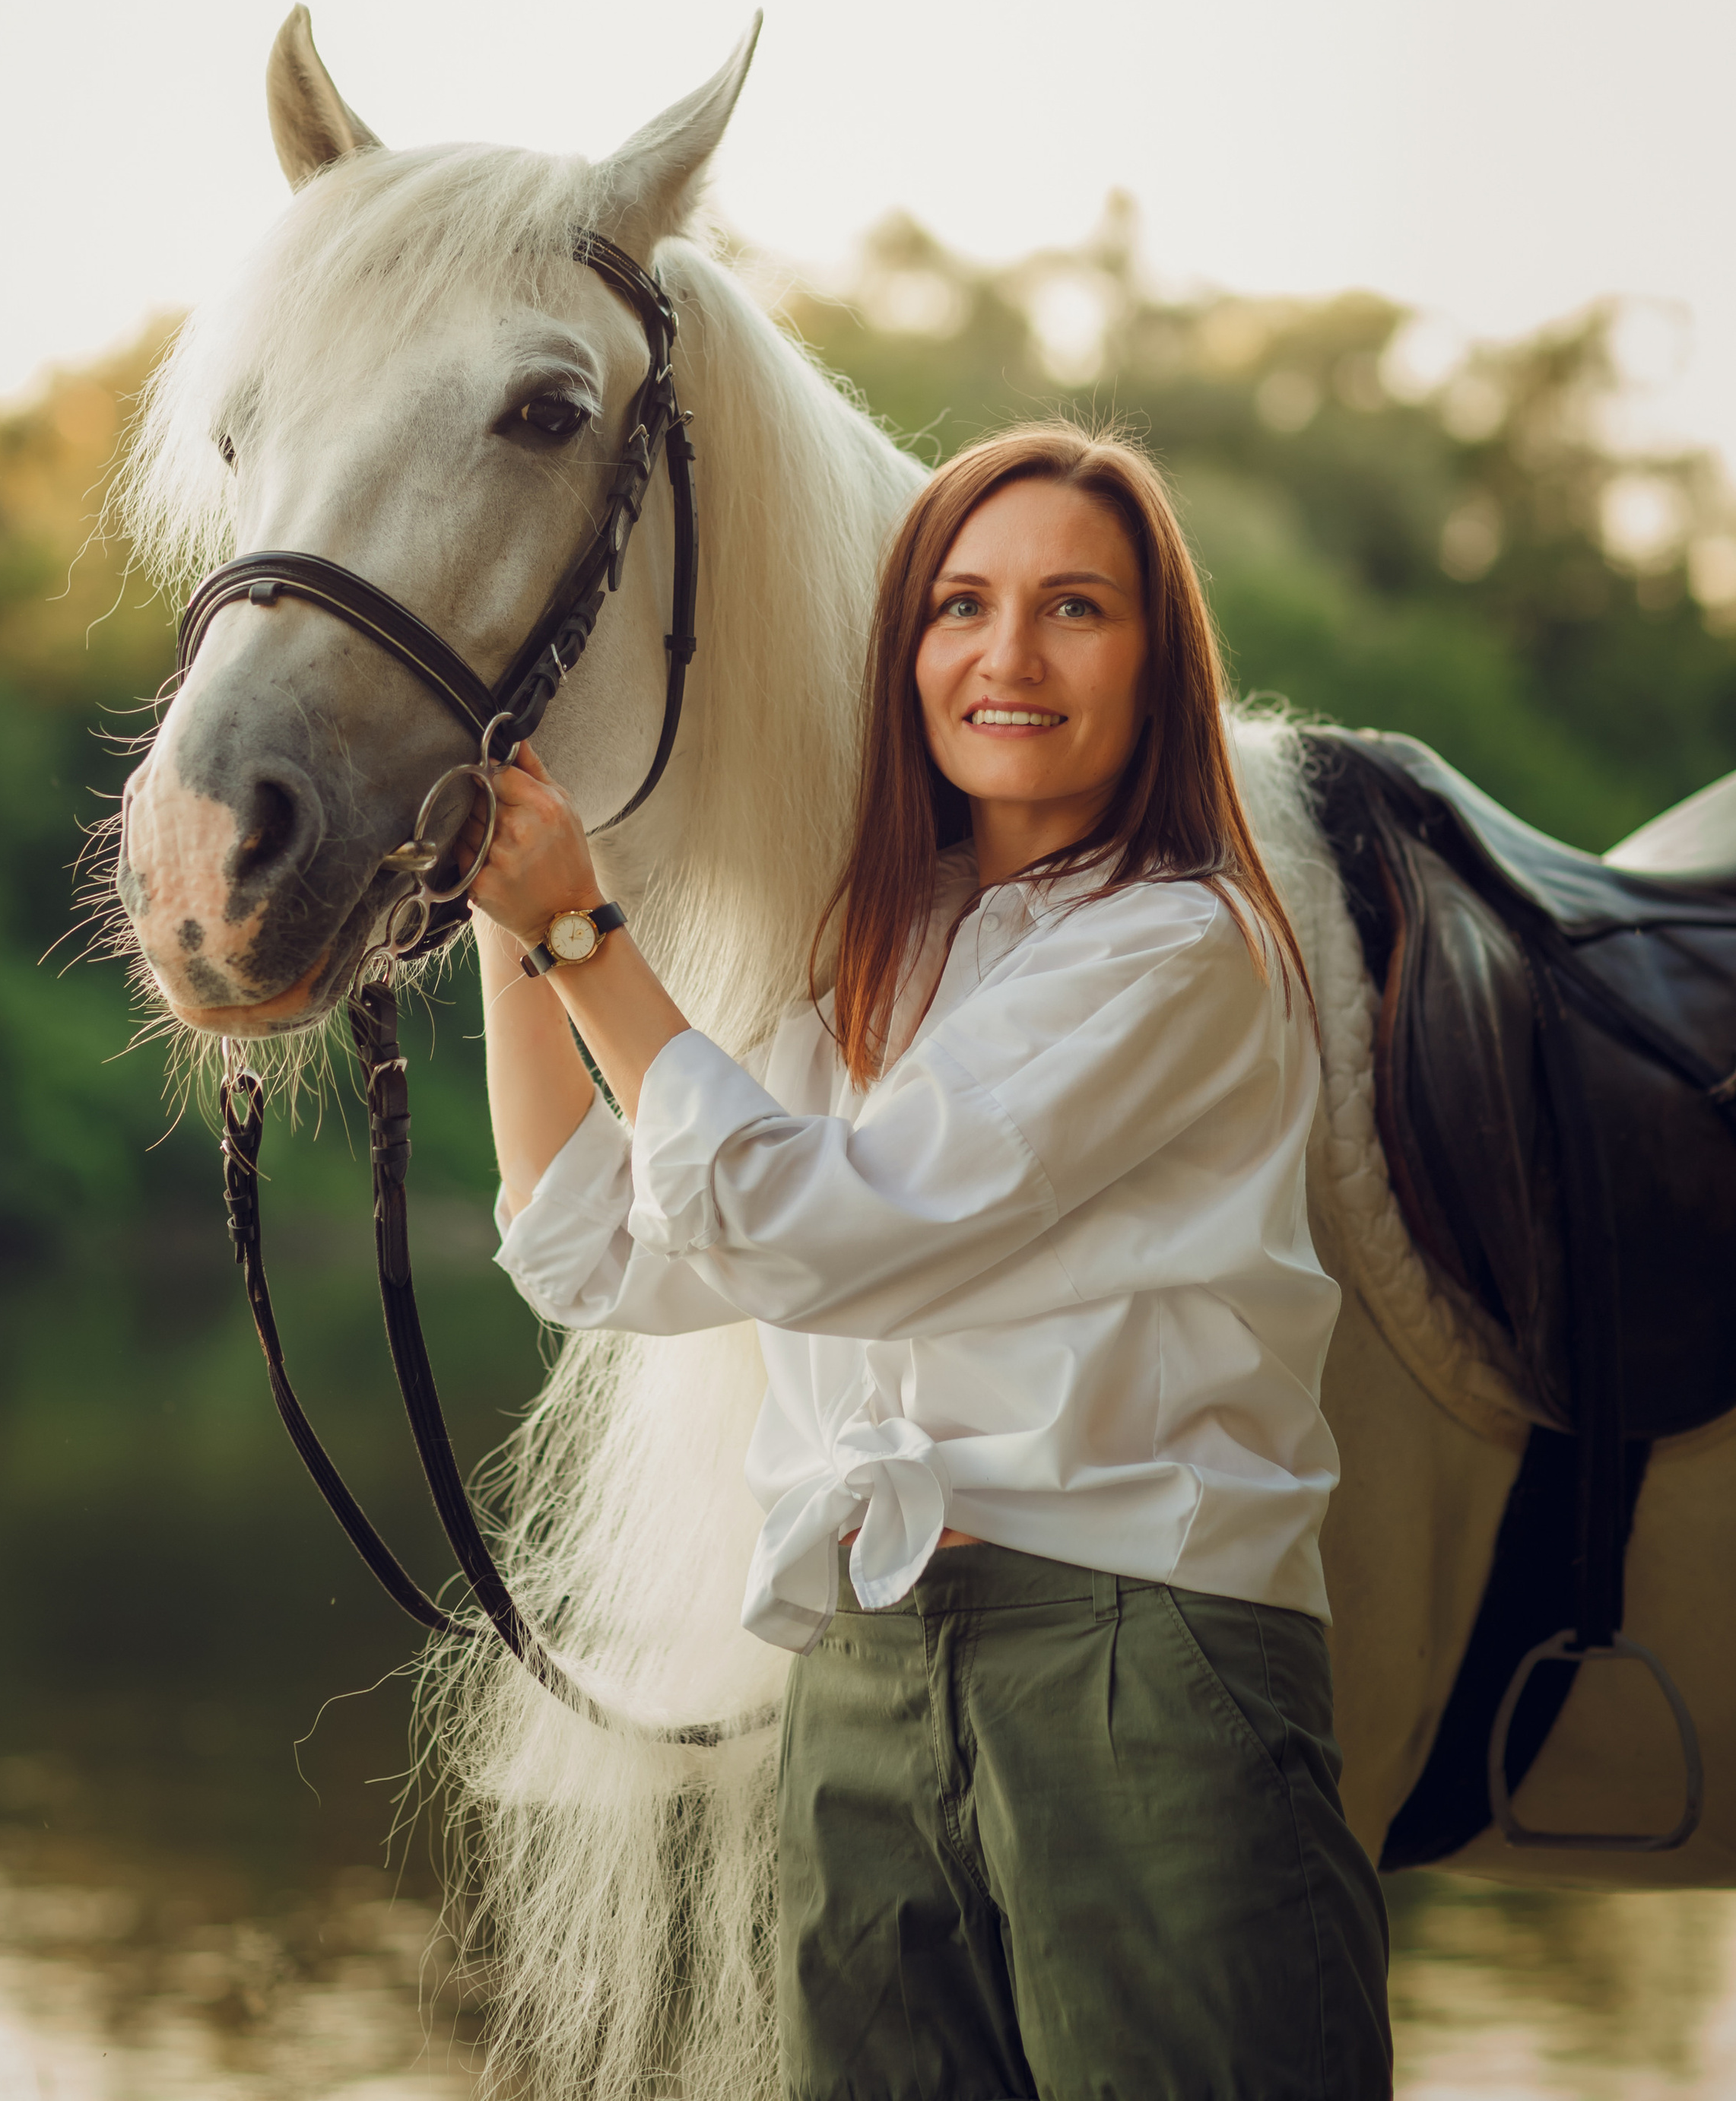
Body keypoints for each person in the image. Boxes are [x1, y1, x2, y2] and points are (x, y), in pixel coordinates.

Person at [466, 423, 1392, 2101]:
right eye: (957, 605)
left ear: (1156, 662)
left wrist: (584, 934)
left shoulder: (1182, 949)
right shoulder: (886, 966)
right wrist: (503, 915)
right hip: (868, 1668)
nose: (1005, 655)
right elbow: (597, 1252)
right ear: (906, 658)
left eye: (1073, 609)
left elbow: (831, 1240)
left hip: (1138, 1659)